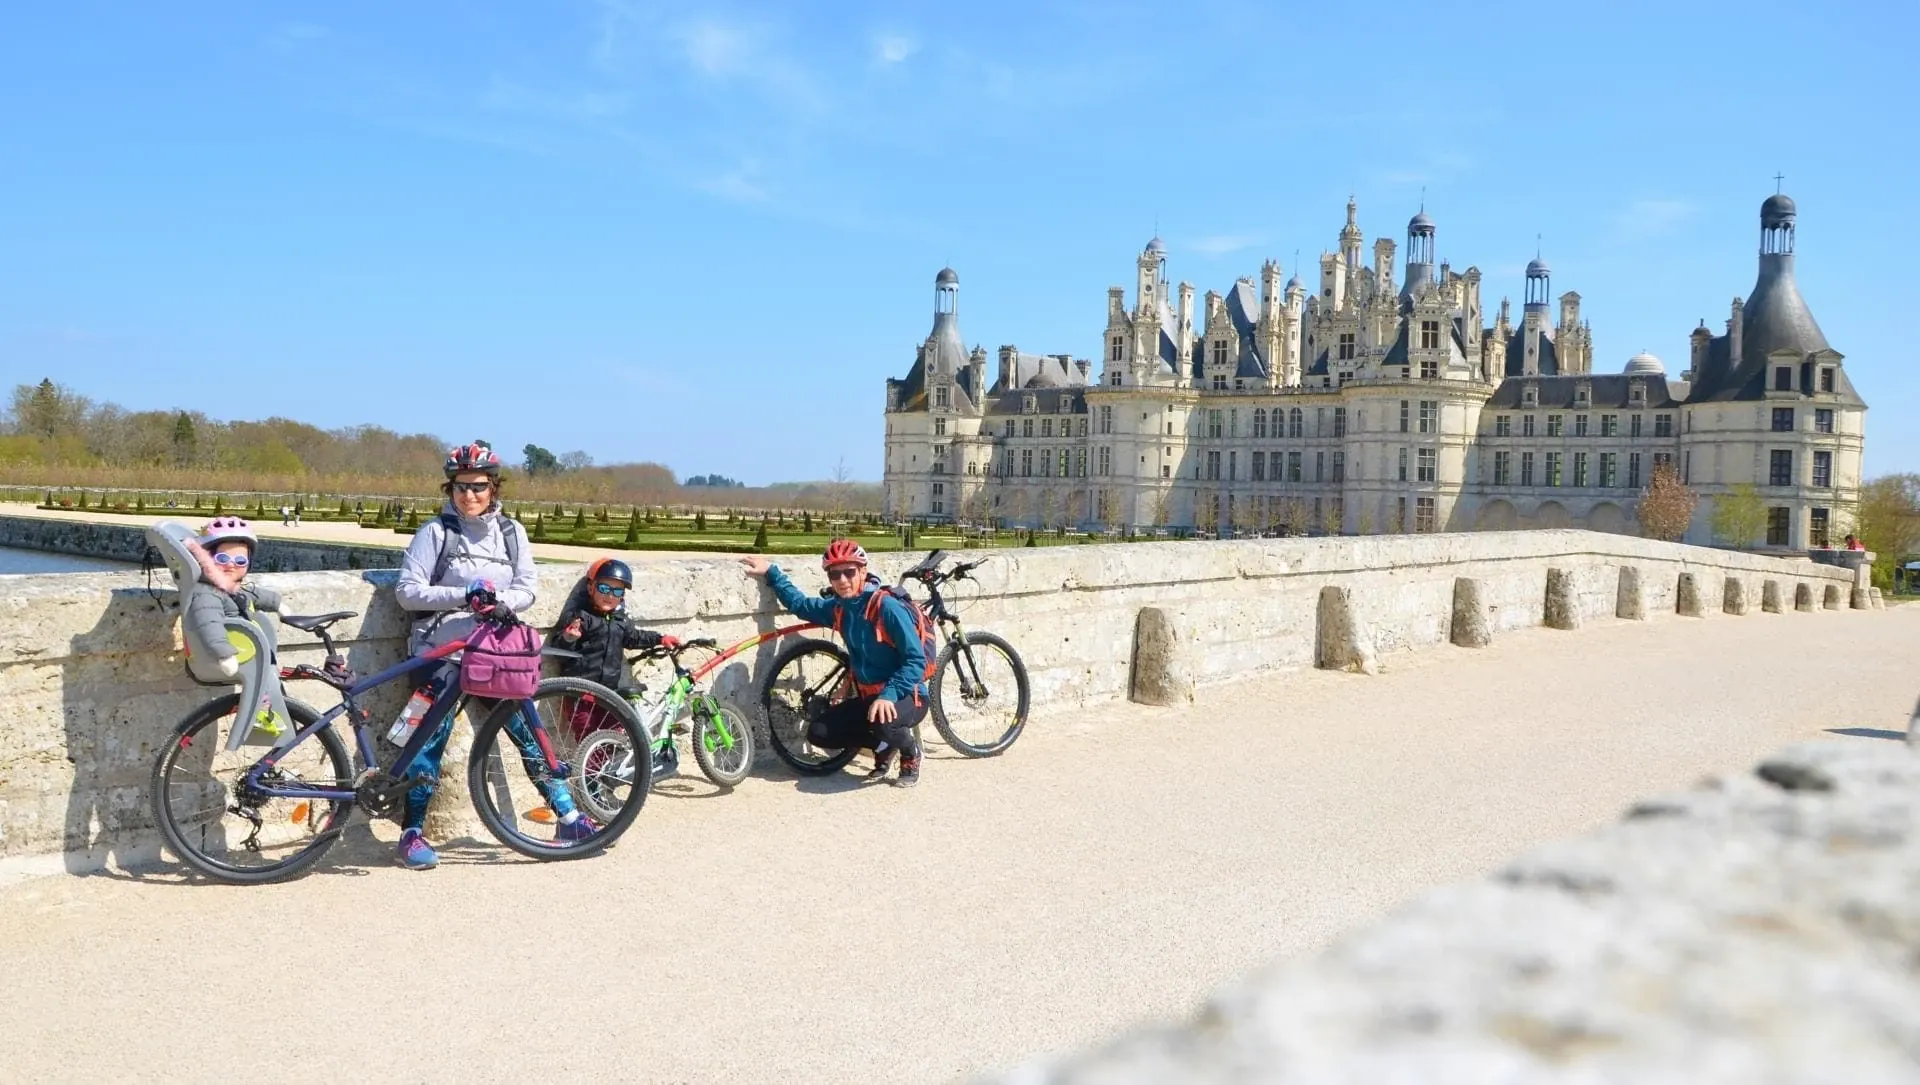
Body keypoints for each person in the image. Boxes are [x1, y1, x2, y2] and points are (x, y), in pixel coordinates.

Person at [391, 439, 592, 870]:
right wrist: (465, 595)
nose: (469, 495)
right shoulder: (435, 533)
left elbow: (527, 588)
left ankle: (569, 816)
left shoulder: (512, 533)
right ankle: (411, 832)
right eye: (460, 487)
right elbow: (408, 593)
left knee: (527, 731)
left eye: (478, 487)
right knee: (426, 742)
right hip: (441, 651)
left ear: (493, 488)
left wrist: (502, 602)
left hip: (493, 653)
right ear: (450, 489)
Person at [741, 539, 927, 787]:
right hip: (868, 698)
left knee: (884, 721)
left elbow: (917, 661)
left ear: (862, 571)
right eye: (834, 574)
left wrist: (889, 694)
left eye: (849, 572)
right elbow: (801, 605)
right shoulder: (840, 608)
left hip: (907, 696)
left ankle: (909, 752)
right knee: (819, 733)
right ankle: (884, 746)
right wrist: (771, 572)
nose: (842, 580)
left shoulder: (887, 608)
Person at [548, 557, 680, 775]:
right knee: (589, 739)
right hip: (581, 694)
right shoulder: (581, 617)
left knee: (615, 734)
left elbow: (633, 637)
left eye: (617, 592)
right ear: (591, 588)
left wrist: (660, 638)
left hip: (608, 693)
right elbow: (557, 648)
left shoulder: (620, 620)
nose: (610, 595)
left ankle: (600, 778)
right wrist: (569, 637)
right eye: (604, 588)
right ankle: (589, 782)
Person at [181, 516, 281, 681]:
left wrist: (277, 603)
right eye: (222, 559)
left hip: (251, 650)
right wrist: (224, 654)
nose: (231, 565)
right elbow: (208, 622)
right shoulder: (207, 593)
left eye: (240, 561)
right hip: (239, 654)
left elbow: (250, 594)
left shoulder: (227, 587)